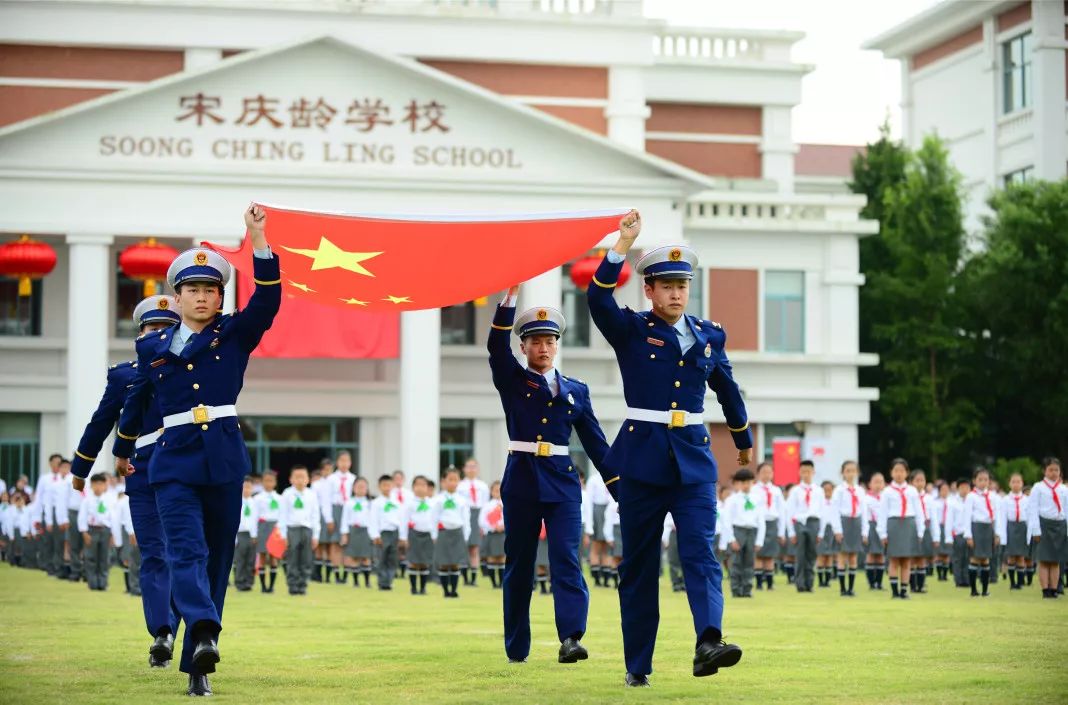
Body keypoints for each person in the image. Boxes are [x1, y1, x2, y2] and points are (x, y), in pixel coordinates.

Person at [113, 204, 280, 697]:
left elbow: (267, 303)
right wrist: (124, 445)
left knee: (216, 560)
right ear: (176, 296)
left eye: (212, 290)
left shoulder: (234, 334)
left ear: (220, 297)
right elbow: (138, 397)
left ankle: (197, 665)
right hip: (172, 461)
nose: (203, 297)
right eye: (193, 289)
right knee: (184, 551)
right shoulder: (153, 345)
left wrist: (259, 241)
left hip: (224, 458)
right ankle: (205, 628)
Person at [587, 210, 752, 686]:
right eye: (667, 285)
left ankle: (709, 641)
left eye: (683, 284)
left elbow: (728, 388)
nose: (677, 293)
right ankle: (637, 666)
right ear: (650, 290)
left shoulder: (708, 335)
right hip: (641, 462)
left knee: (700, 551)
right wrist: (621, 245)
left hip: (695, 461)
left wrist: (741, 440)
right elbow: (597, 299)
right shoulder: (632, 330)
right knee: (639, 566)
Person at [488, 283, 617, 666]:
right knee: (520, 565)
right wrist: (508, 301)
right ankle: (517, 647)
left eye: (549, 341)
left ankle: (571, 638)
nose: (543, 348)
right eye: (535, 342)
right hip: (522, 480)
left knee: (566, 559)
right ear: (524, 347)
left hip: (562, 483)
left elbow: (596, 442)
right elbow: (496, 348)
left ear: (557, 345)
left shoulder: (576, 390)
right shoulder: (512, 381)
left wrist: (620, 488)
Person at [71, 293, 182, 667]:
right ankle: (162, 632)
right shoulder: (124, 375)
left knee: (183, 555)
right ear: (141, 334)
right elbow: (101, 421)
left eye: (169, 328)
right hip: (143, 474)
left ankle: (174, 628)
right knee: (154, 554)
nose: (161, 333)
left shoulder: (195, 371)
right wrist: (80, 468)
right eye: (154, 328)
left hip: (187, 473)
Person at [877, 458, 924, 600]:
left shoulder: (912, 491)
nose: (899, 474)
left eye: (902, 471)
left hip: (908, 524)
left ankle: (904, 590)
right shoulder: (887, 492)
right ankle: (894, 591)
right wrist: (882, 532)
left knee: (906, 561)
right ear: (891, 473)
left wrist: (920, 530)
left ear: (907, 473)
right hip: (894, 525)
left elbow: (919, 512)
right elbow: (882, 513)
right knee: (894, 560)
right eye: (896, 470)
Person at [718, 468, 765, 598]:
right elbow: (727, 521)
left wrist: (759, 540)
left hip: (752, 531)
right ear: (737, 484)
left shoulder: (757, 499)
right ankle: (736, 589)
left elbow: (761, 520)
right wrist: (732, 539)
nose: (746, 485)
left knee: (749, 562)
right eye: (743, 482)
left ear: (753, 483)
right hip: (738, 530)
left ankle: (747, 589)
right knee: (736, 562)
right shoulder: (732, 500)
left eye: (749, 482)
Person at [1028, 458, 1067, 598]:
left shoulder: (1063, 489)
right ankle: (1046, 590)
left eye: (1056, 470)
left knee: (1056, 560)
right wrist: (1036, 530)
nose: (1054, 473)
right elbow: (1033, 509)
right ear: (1044, 471)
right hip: (1044, 524)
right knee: (1044, 560)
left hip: (1059, 525)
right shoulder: (1038, 487)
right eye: (1051, 469)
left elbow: (1066, 510)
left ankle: (1054, 588)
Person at [279, 465, 320, 596]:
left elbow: (315, 515)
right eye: (297, 477)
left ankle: (303, 585)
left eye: (303, 477)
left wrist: (316, 535)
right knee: (292, 559)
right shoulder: (287, 494)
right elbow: (282, 515)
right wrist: (283, 534)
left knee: (306, 559)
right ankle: (293, 585)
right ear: (291, 479)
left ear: (308, 479)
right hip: (292, 529)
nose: (300, 480)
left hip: (307, 529)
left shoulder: (311, 495)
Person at [432, 467, 470, 598]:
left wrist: (466, 535)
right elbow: (434, 518)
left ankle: (453, 590)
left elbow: (466, 519)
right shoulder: (438, 499)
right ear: (443, 481)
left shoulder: (462, 500)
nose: (453, 482)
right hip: (443, 532)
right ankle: (445, 590)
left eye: (455, 480)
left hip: (457, 532)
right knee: (443, 562)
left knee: (455, 562)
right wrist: (434, 535)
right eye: (450, 479)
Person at [77, 474, 119, 591]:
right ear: (91, 485)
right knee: (91, 558)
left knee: (104, 558)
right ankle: (93, 583)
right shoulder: (87, 500)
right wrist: (84, 532)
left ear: (105, 485)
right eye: (96, 484)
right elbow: (82, 517)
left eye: (101, 484)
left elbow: (113, 518)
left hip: (105, 530)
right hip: (91, 530)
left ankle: (103, 583)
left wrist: (113, 535)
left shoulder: (109, 500)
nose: (98, 487)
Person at [963, 468, 1000, 597]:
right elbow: (967, 517)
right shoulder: (971, 496)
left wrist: (996, 534)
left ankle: (985, 589)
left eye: (986, 480)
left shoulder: (993, 496)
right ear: (974, 481)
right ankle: (973, 589)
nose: (983, 482)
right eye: (980, 479)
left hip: (988, 528)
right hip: (976, 528)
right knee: (974, 558)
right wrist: (968, 535)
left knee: (985, 560)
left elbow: (996, 516)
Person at [830, 461, 864, 597]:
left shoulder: (860, 490)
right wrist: (837, 530)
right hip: (844, 522)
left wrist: (864, 530)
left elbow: (864, 510)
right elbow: (834, 510)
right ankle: (843, 588)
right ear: (842, 473)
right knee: (842, 556)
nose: (850, 473)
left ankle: (851, 588)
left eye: (853, 471)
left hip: (856, 522)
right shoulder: (839, 490)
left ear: (857, 472)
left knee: (854, 557)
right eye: (847, 471)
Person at [785, 461, 820, 593]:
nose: (806, 474)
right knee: (800, 555)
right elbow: (790, 512)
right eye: (803, 471)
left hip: (813, 522)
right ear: (799, 472)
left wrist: (821, 532)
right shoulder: (795, 491)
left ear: (813, 472)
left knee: (811, 555)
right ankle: (800, 584)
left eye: (809, 471)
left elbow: (822, 511)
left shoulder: (818, 490)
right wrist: (791, 532)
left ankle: (809, 583)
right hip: (799, 523)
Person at [323, 451, 355, 584]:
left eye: (347, 461)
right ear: (337, 462)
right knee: (335, 544)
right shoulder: (331, 479)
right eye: (342, 460)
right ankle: (336, 574)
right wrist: (329, 519)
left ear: (350, 463)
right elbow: (326, 500)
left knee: (348, 543)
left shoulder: (354, 478)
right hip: (336, 510)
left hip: (350, 512)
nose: (344, 464)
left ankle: (346, 574)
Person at [401, 475, 436, 595]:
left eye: (423, 485)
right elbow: (404, 520)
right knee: (414, 561)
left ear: (428, 488)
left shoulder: (432, 503)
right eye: (417, 485)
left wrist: (434, 535)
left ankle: (423, 587)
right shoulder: (409, 503)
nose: (420, 488)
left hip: (427, 534)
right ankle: (413, 587)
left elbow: (434, 520)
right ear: (413, 487)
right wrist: (404, 537)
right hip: (414, 534)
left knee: (424, 561)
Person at [457, 458, 489, 586]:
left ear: (478, 469)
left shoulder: (483, 486)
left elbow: (486, 505)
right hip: (465, 514)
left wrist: (483, 523)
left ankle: (474, 578)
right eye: (468, 467)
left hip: (478, 514)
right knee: (464, 547)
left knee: (475, 548)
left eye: (473, 466)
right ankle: (465, 578)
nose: (471, 469)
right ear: (464, 469)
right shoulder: (460, 486)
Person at [753, 462, 785, 591]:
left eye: (769, 472)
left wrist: (781, 532)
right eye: (763, 472)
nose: (766, 475)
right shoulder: (754, 489)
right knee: (759, 554)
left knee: (770, 555)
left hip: (772, 523)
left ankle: (770, 584)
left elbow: (782, 512)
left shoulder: (776, 490)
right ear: (758, 474)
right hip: (759, 523)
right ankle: (759, 583)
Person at [370, 474, 405, 591]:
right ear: (379, 487)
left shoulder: (397, 503)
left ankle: (389, 580)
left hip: (394, 532)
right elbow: (373, 520)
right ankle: (382, 581)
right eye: (384, 485)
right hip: (382, 533)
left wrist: (402, 535)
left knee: (392, 558)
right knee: (381, 557)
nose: (387, 487)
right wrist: (375, 535)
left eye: (389, 485)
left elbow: (401, 519)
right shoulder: (376, 503)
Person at [339, 476, 374, 589]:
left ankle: (367, 581)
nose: (361, 489)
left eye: (363, 487)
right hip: (354, 530)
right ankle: (355, 581)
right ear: (353, 488)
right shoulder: (349, 503)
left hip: (366, 531)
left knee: (366, 557)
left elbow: (373, 520)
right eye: (358, 486)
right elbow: (344, 519)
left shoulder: (370, 503)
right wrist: (345, 534)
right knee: (354, 557)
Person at [998, 472, 1029, 591]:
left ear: (1022, 484)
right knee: (1011, 557)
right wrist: (1002, 534)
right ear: (1009, 484)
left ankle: (1020, 583)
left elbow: (1029, 517)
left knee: (1021, 557)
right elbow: (1002, 517)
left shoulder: (1026, 500)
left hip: (1022, 527)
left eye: (1019, 482)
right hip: (1010, 527)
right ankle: (1012, 582)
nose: (1016, 484)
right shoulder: (1005, 500)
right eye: (1013, 482)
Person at [253, 470, 282, 593]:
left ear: (275, 483)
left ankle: (271, 586)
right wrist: (254, 533)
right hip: (263, 526)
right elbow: (254, 517)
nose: (268, 483)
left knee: (274, 556)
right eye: (266, 481)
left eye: (271, 481)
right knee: (263, 556)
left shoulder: (280, 498)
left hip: (275, 528)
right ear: (262, 482)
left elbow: (282, 515)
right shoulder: (258, 498)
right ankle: (263, 586)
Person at [910, 469, 935, 594]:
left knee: (922, 559)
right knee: (912, 559)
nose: (920, 483)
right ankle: (912, 585)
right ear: (911, 482)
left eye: (922, 480)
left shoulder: (929, 498)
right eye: (917, 480)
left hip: (925, 528)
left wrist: (936, 536)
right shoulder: (909, 496)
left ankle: (921, 585)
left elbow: (933, 518)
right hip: (911, 528)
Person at [233, 477, 258, 592]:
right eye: (244, 487)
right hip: (240, 534)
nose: (246, 490)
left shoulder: (255, 503)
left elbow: (255, 520)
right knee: (240, 560)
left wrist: (255, 535)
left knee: (250, 560)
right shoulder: (236, 502)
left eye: (249, 487)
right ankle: (239, 582)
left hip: (251, 535)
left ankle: (249, 582)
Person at [479, 481, 506, 589]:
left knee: (502, 558)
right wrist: (493, 527)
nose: (498, 493)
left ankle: (501, 583)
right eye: (495, 490)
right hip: (491, 534)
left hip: (502, 534)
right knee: (491, 558)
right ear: (491, 492)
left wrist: (503, 526)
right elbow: (482, 520)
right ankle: (494, 583)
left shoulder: (507, 504)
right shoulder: (487, 505)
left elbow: (511, 518)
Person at [949, 478, 972, 588]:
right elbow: (949, 520)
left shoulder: (972, 501)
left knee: (969, 558)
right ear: (958, 489)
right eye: (962, 488)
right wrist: (949, 536)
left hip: (970, 534)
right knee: (958, 558)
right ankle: (958, 580)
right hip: (958, 533)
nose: (964, 490)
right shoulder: (953, 502)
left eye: (967, 488)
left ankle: (967, 580)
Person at [815, 480, 837, 588]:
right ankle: (820, 580)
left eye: (830, 490)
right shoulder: (819, 502)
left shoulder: (835, 502)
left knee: (829, 556)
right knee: (821, 555)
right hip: (821, 529)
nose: (827, 492)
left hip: (832, 529)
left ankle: (827, 580)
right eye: (825, 490)